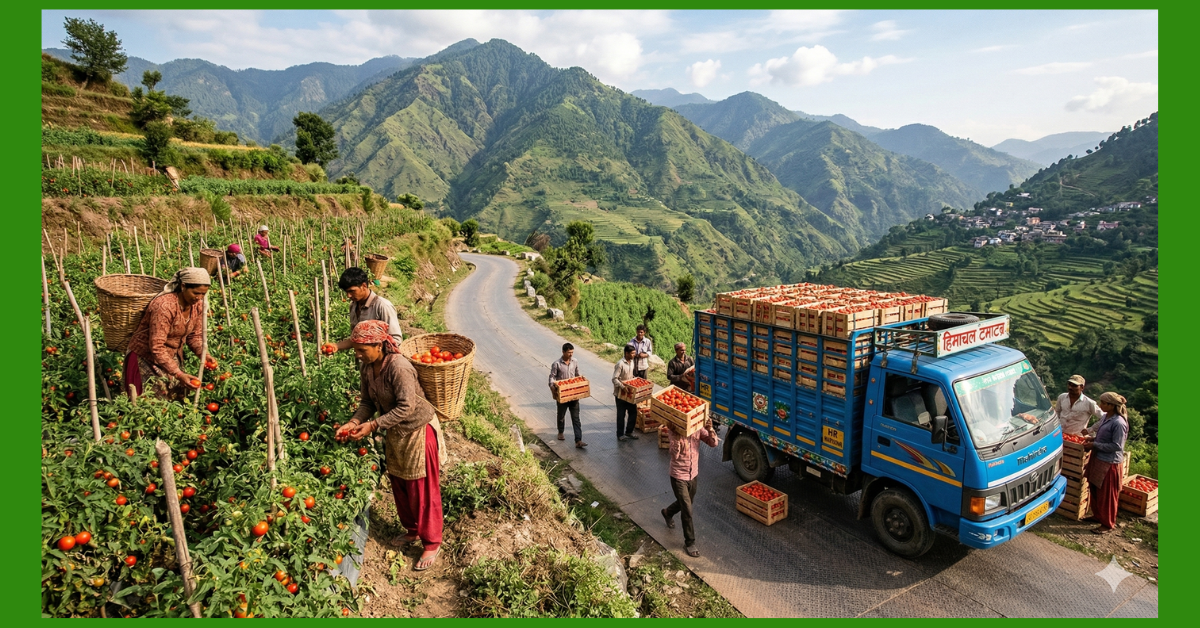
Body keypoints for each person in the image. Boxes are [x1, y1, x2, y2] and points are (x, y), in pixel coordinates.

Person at [336, 320, 446, 570]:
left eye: (362, 349)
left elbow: (407, 407)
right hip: (396, 430)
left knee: (422, 486)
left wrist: (373, 427)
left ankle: (432, 542)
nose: (357, 353)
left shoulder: (398, 367)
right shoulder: (367, 368)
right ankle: (412, 529)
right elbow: (367, 403)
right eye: (356, 349)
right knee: (400, 482)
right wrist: (353, 422)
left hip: (418, 429)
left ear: (379, 345)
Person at [123, 267, 216, 400]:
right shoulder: (164, 307)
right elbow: (156, 346)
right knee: (149, 402)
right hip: (145, 357)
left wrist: (203, 354)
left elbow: (194, 336)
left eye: (203, 294)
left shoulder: (198, 306)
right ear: (183, 286)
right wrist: (178, 374)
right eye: (196, 293)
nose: (199, 298)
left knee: (174, 399)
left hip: (171, 355)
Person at [661, 420, 719, 557]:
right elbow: (674, 455)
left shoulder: (697, 429)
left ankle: (667, 512)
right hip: (678, 476)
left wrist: (710, 429)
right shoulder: (674, 430)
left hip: (693, 475)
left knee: (687, 503)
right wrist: (678, 440)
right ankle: (690, 542)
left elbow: (713, 443)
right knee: (687, 509)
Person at [328, 267, 404, 353]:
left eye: (352, 291)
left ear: (364, 286)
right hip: (364, 363)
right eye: (346, 292)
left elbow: (396, 341)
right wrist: (336, 346)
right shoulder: (353, 306)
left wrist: (374, 352)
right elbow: (356, 339)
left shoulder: (382, 306)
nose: (348, 295)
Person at [1084, 392, 1129, 535]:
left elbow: (1117, 446)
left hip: (1110, 463)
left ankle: (1107, 524)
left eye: (1103, 403)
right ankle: (1098, 516)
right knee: (1095, 488)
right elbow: (1103, 436)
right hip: (1099, 459)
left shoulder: (1119, 423)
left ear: (1111, 405)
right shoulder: (1106, 417)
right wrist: (1093, 439)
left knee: (1107, 494)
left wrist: (1095, 445)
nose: (1100, 405)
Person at [549, 342, 587, 448]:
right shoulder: (556, 364)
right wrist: (552, 386)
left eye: (572, 352)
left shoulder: (575, 361)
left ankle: (578, 440)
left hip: (573, 394)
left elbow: (577, 374)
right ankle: (560, 431)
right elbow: (552, 376)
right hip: (562, 394)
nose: (571, 355)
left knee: (576, 418)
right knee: (561, 415)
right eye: (569, 352)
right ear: (563, 352)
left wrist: (581, 380)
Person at [612, 344, 640, 441]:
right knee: (621, 414)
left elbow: (631, 376)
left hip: (630, 392)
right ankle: (620, 434)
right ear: (626, 353)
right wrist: (623, 387)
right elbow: (614, 379)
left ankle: (629, 431)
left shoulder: (632, 362)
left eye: (634, 353)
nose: (634, 355)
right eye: (632, 353)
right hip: (620, 393)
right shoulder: (620, 364)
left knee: (633, 412)